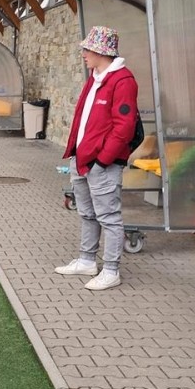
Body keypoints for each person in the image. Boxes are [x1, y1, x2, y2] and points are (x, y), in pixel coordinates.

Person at [54, 25, 138, 291]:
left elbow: (124, 127)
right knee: (88, 214)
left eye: (87, 49)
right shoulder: (95, 77)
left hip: (102, 164)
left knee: (109, 217)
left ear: (101, 51)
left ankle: (111, 271)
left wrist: (102, 161)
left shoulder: (123, 81)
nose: (83, 54)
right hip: (82, 159)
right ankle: (87, 260)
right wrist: (77, 154)